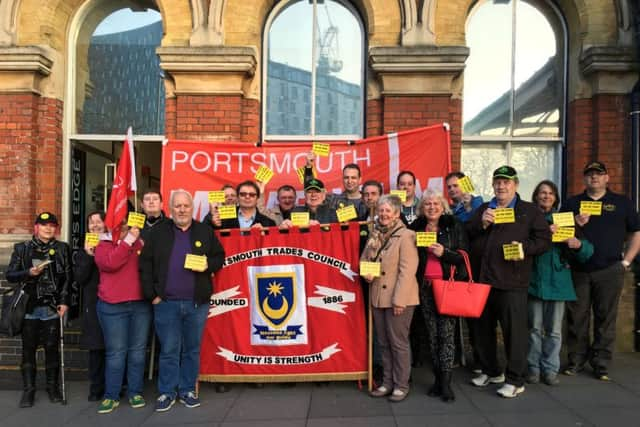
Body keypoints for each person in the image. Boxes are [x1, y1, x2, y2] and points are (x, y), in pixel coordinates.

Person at [467, 165, 550, 398]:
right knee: (482, 330)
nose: (501, 186)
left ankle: (515, 379)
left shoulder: (528, 211)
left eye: (506, 182)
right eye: (498, 182)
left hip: (512, 281)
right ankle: (491, 371)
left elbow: (544, 240)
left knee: (514, 333)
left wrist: (524, 249)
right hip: (484, 280)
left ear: (515, 185)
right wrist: (481, 223)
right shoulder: (485, 208)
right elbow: (467, 233)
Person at [140, 189, 225, 412]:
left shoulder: (204, 231)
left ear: (191, 208)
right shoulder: (158, 232)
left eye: (186, 205)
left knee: (191, 349)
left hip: (196, 303)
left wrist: (209, 264)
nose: (182, 210)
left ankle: (187, 389)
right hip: (166, 303)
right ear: (170, 208)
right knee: (168, 349)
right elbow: (145, 265)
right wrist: (153, 295)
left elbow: (219, 256)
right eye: (177, 206)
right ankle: (167, 392)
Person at [561, 161, 640, 380]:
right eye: (589, 174)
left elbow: (636, 233)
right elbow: (560, 235)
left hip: (609, 269)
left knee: (606, 318)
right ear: (584, 179)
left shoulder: (622, 203)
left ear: (607, 178)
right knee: (576, 318)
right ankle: (575, 360)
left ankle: (601, 363)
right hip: (578, 270)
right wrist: (575, 224)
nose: (594, 178)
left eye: (598, 174)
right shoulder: (572, 203)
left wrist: (626, 261)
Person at [527, 180, 593, 386]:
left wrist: (578, 244)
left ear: (555, 198)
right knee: (533, 330)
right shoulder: (529, 218)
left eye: (550, 193)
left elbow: (587, 251)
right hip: (534, 280)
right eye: (542, 193)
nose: (546, 196)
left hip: (558, 282)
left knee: (554, 331)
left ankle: (550, 370)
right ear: (536, 196)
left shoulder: (566, 220)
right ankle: (533, 369)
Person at [6, 212, 71, 408]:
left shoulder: (62, 248)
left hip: (51, 306)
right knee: (28, 350)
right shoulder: (22, 248)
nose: (48, 228)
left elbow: (68, 277)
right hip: (29, 307)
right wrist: (28, 273)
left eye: (52, 225)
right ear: (36, 228)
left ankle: (52, 388)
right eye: (44, 225)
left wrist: (65, 301)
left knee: (52, 348)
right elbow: (10, 274)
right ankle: (29, 390)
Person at [410, 189, 468, 402]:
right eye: (427, 204)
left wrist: (444, 253)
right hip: (424, 287)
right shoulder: (415, 227)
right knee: (432, 335)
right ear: (422, 208)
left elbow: (464, 256)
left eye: (436, 204)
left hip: (447, 286)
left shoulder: (453, 225)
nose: (432, 207)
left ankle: (446, 383)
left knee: (446, 334)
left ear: (443, 207)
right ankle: (438, 379)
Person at [361, 195, 419, 402]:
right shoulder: (375, 234)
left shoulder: (407, 235)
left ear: (396, 213)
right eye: (381, 211)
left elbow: (407, 271)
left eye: (388, 211)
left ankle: (401, 384)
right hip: (377, 296)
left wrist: (400, 300)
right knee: (383, 343)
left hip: (398, 299)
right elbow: (365, 259)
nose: (384, 214)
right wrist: (365, 271)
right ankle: (387, 382)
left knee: (398, 343)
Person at [94, 219, 151, 414]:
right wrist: (127, 241)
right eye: (120, 222)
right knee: (116, 353)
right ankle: (112, 395)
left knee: (137, 352)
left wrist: (134, 240)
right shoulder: (103, 243)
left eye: (126, 222)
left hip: (140, 303)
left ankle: (135, 392)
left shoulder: (140, 241)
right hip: (112, 306)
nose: (124, 226)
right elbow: (110, 263)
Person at [73, 211, 106, 401]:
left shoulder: (112, 246)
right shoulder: (81, 252)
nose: (95, 225)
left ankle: (115, 386)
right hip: (92, 304)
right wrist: (88, 255)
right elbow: (80, 278)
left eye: (98, 221)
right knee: (96, 347)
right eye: (91, 222)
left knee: (113, 348)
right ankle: (96, 388)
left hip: (112, 302)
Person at [207, 180, 276, 230]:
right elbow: (207, 235)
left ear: (257, 198)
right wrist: (213, 224)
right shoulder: (222, 217)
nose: (247, 197)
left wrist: (263, 235)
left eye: (252, 195)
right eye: (243, 194)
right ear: (237, 197)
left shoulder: (269, 223)